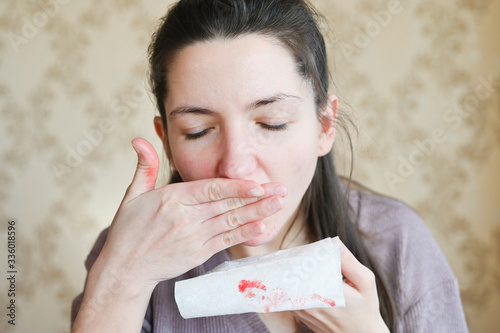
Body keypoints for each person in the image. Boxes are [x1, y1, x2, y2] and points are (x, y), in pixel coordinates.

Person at [71, 0, 468, 332]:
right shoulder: (130, 251)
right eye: (197, 130)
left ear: (324, 127)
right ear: (168, 143)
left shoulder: (395, 242)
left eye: (271, 123)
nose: (237, 166)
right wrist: (122, 280)